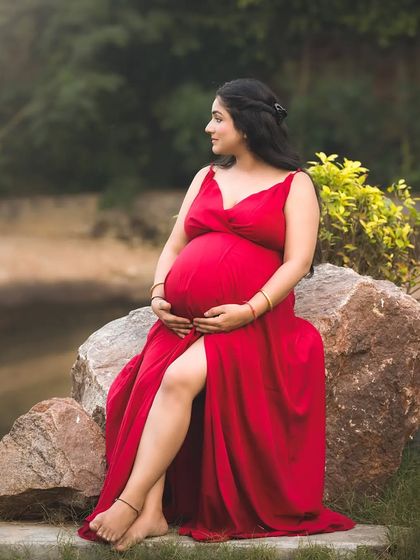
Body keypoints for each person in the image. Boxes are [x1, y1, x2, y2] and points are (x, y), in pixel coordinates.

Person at [77, 77, 356, 551]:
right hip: (184, 321)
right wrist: (160, 292)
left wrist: (248, 309)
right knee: (145, 388)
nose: (209, 127)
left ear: (246, 124)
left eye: (218, 117)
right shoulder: (206, 176)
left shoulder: (295, 184)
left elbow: (297, 262)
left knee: (177, 379)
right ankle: (150, 514)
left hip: (255, 324)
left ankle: (129, 500)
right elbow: (176, 244)